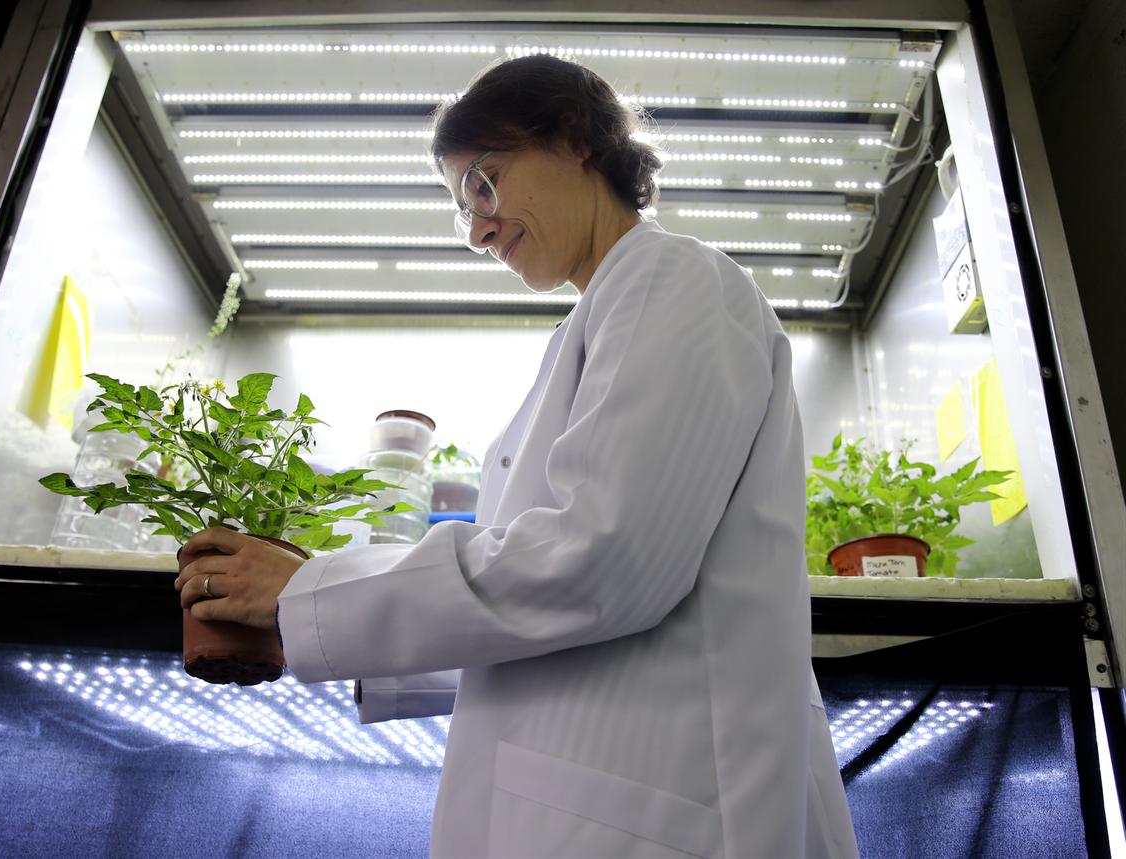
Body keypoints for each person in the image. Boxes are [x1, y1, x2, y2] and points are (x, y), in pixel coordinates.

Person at [176, 54, 859, 858]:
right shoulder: (596, 322)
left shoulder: (673, 281)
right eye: (462, 205)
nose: (478, 227)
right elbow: (548, 616)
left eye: (484, 182)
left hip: (671, 813)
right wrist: (313, 620)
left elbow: (604, 558)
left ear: (575, 139)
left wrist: (317, 591)